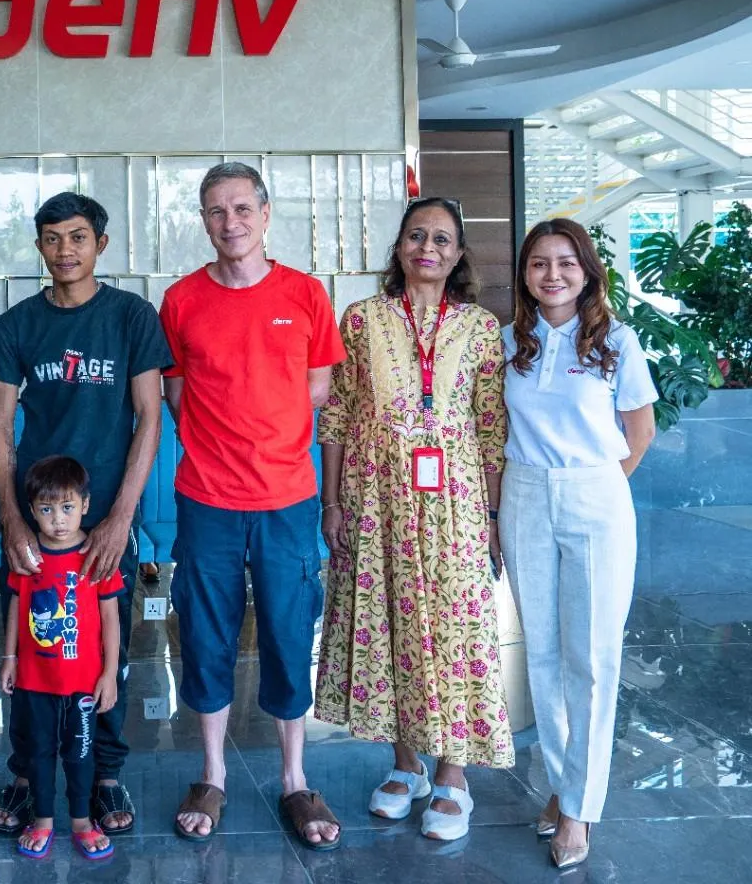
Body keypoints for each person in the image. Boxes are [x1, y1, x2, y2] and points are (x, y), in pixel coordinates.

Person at [315, 196, 513, 843]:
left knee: (453, 626)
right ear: (400, 247)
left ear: (458, 255)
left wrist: (490, 513)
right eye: (416, 235)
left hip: (453, 503)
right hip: (377, 499)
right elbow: (338, 416)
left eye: (442, 239)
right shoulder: (361, 320)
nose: (428, 247)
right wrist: (333, 500)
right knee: (393, 622)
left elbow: (491, 427)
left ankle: (453, 773)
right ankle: (405, 766)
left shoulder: (481, 328)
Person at [161, 163, 346, 849]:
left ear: (266, 214)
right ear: (204, 221)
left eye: (242, 207)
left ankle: (295, 778)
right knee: (204, 633)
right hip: (206, 498)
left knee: (288, 631)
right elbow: (178, 396)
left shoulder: (304, 294)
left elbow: (319, 385)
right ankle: (212, 773)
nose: (230, 221)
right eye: (216, 211)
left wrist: (266, 434)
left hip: (287, 498)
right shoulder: (180, 302)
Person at [0, 191, 171, 837]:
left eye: (79, 237)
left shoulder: (130, 316)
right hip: (38, 520)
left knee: (105, 651)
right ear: (39, 246)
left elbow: (150, 416)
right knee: (31, 650)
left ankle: (106, 774)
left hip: (105, 518)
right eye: (53, 237)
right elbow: (1, 426)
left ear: (101, 245)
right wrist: (11, 518)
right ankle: (28, 773)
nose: (66, 250)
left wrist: (121, 517)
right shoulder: (18, 325)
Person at [501, 218, 656, 869]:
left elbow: (639, 431)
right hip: (524, 495)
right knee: (540, 654)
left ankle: (580, 812)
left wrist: (591, 489)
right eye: (539, 263)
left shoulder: (616, 341)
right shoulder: (510, 340)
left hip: (595, 493)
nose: (553, 274)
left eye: (566, 262)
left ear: (588, 271)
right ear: (526, 274)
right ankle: (564, 787)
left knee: (590, 658)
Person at [0, 456, 123, 862]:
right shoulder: (27, 555)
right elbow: (17, 607)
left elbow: (110, 618)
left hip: (84, 682)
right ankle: (43, 820)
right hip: (35, 680)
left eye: (67, 507)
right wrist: (9, 658)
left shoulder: (97, 555)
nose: (58, 519)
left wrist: (108, 674)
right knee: (37, 752)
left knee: (80, 754)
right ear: (31, 510)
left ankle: (83, 822)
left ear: (85, 505)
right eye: (47, 509)